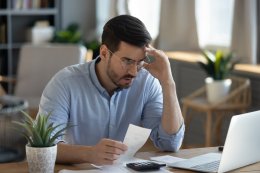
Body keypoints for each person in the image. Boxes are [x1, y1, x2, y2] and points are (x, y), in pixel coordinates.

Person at [38, 15, 185, 165]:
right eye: (127, 61)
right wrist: (89, 153)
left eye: (140, 62)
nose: (134, 72)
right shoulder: (64, 83)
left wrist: (168, 82)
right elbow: (43, 148)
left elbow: (170, 143)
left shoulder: (147, 83)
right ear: (104, 53)